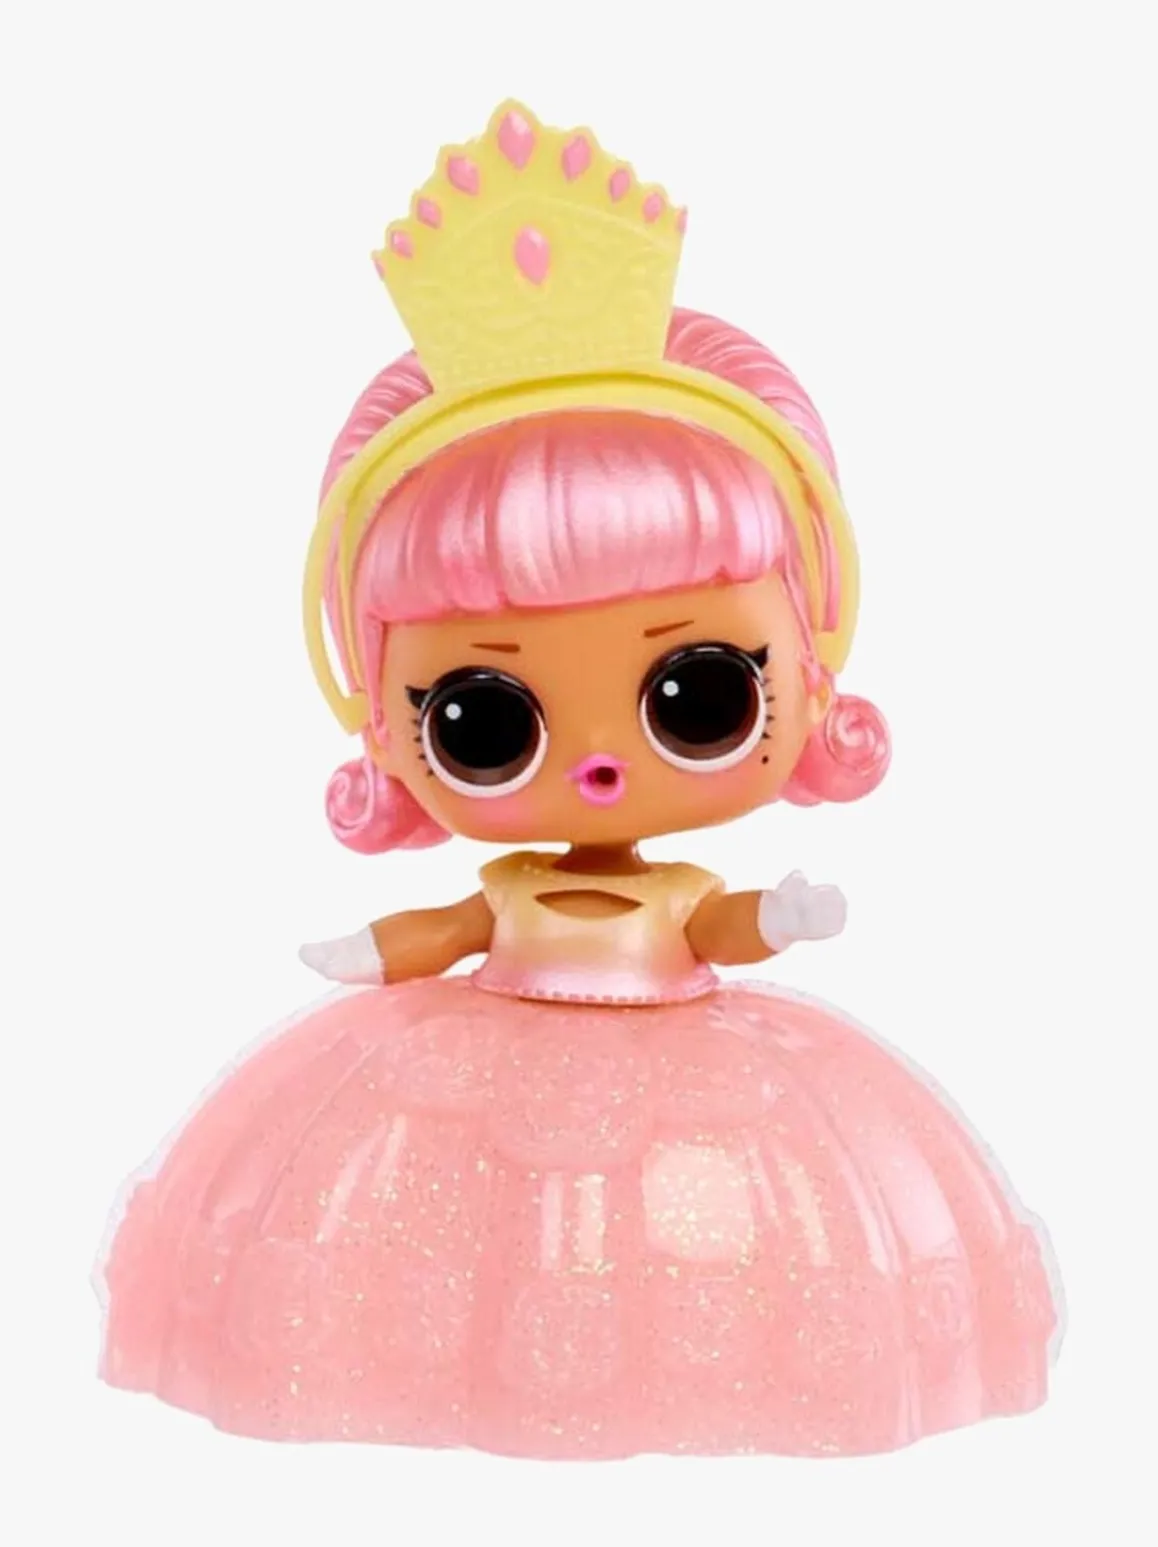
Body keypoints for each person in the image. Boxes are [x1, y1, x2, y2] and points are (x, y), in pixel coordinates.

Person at [97, 101, 1058, 1459]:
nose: (602, 762)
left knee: (717, 1269)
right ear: (385, 722)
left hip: (698, 1057)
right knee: (459, 1262)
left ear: (810, 668)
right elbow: (457, 927)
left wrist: (777, 919)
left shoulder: (673, 894)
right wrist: (369, 952)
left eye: (699, 694)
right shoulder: (504, 894)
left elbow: (712, 923)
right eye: (484, 720)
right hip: (472, 1059)